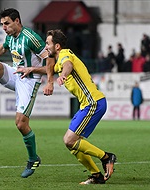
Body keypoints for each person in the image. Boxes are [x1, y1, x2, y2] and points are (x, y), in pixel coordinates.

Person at [0, 8, 53, 178]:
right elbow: (3, 47)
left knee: (21, 124)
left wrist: (50, 81)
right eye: (2, 24)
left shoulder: (31, 38)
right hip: (16, 74)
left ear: (17, 21)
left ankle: (33, 158)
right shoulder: (11, 36)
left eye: (6, 23)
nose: (4, 27)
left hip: (30, 80)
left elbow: (50, 57)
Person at [44, 29, 117, 185]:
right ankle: (96, 175)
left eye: (48, 44)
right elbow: (50, 68)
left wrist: (63, 74)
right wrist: (30, 70)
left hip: (94, 103)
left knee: (70, 140)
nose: (46, 47)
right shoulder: (59, 59)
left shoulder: (64, 55)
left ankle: (106, 157)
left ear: (57, 46)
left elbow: (68, 65)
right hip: (87, 105)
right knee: (72, 144)